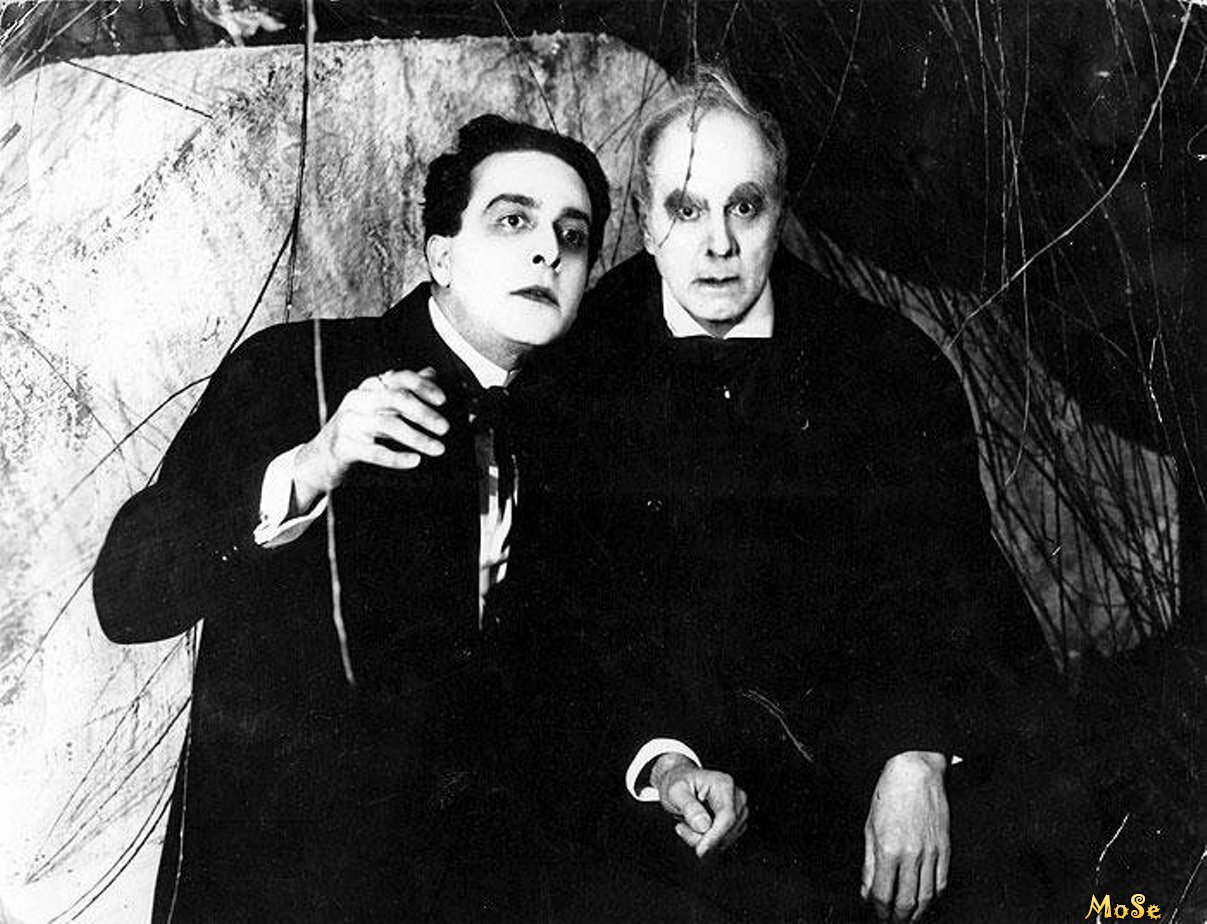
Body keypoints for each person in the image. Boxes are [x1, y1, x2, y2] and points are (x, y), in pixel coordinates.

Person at [524, 68, 1092, 922]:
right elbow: (579, 621)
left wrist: (915, 755)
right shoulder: (575, 377)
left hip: (860, 751)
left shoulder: (887, 364)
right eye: (685, 210)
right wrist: (666, 763)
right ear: (643, 221)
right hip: (674, 766)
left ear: (778, 213)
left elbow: (947, 583)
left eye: (743, 207)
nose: (717, 243)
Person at [91, 114, 611, 923]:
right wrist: (310, 465)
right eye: (513, 220)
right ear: (441, 255)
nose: (548, 250)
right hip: (283, 892)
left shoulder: (581, 433)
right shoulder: (294, 367)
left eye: (572, 236)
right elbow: (127, 596)